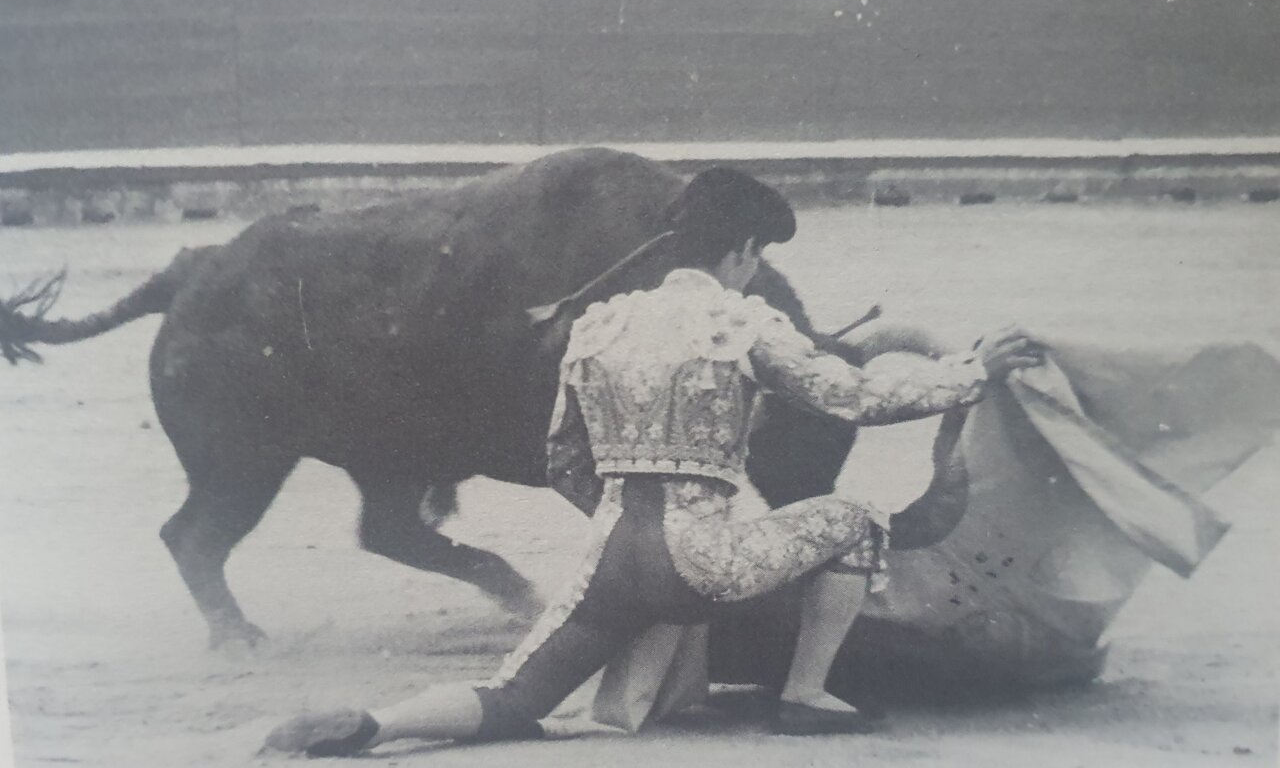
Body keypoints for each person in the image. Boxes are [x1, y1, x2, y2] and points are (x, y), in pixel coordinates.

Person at [262, 168, 1044, 757]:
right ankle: (808, 693)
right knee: (857, 519)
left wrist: (619, 519)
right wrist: (974, 369)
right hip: (705, 557)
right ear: (742, 251)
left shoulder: (600, 323)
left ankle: (380, 725)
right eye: (756, 253)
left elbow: (562, 455)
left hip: (609, 559)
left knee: (515, 695)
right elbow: (853, 397)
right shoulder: (740, 319)